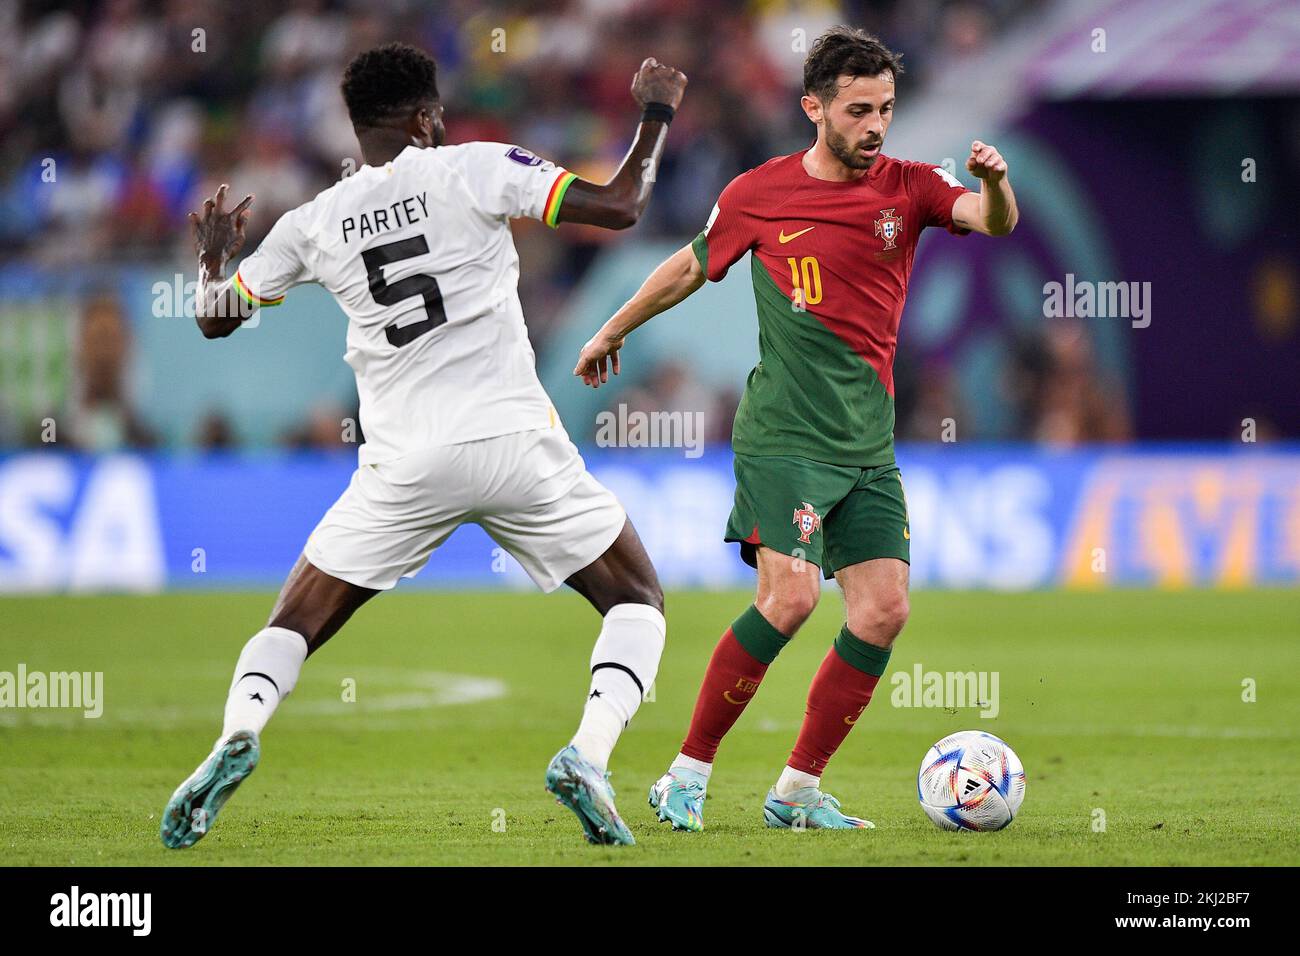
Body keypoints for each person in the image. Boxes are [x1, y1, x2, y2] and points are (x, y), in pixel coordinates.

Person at [162, 42, 687, 848]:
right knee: (636, 600)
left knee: (294, 621)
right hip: (514, 442)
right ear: (424, 119)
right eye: (437, 114)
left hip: (404, 462)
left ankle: (237, 733)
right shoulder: (476, 166)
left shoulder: (314, 220)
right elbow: (620, 207)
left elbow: (213, 315)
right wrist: (653, 116)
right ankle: (587, 755)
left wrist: (210, 260)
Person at [574, 26, 1017, 831]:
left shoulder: (911, 187)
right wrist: (614, 328)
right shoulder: (759, 193)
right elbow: (689, 264)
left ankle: (796, 793)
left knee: (883, 610)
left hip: (866, 444)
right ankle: (684, 776)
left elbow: (992, 223)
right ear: (814, 108)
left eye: (885, 107)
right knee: (792, 596)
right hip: (784, 435)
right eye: (857, 110)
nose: (875, 124)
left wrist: (995, 184)